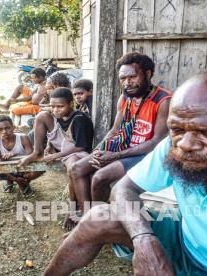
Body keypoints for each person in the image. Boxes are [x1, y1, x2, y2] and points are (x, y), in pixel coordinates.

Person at [43, 69, 207, 276]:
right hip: (184, 242)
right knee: (98, 217)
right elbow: (123, 188)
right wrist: (143, 239)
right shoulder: (175, 144)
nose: (185, 145)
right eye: (176, 129)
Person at [63, 52, 171, 230]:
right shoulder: (125, 98)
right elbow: (114, 131)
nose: (127, 83)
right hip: (123, 150)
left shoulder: (163, 100)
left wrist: (115, 155)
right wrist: (97, 151)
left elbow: (156, 142)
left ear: (148, 74)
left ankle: (97, 225)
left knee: (99, 177)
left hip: (146, 155)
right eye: (123, 78)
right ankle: (89, 220)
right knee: (77, 168)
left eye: (132, 77)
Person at [0, 115, 44, 196]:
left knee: (35, 170)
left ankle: (22, 183)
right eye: (0, 129)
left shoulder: (23, 138)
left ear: (13, 127)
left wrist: (15, 153)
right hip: (6, 170)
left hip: (22, 169)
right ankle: (11, 181)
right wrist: (14, 178)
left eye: (7, 128)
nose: (4, 131)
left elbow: (31, 158)